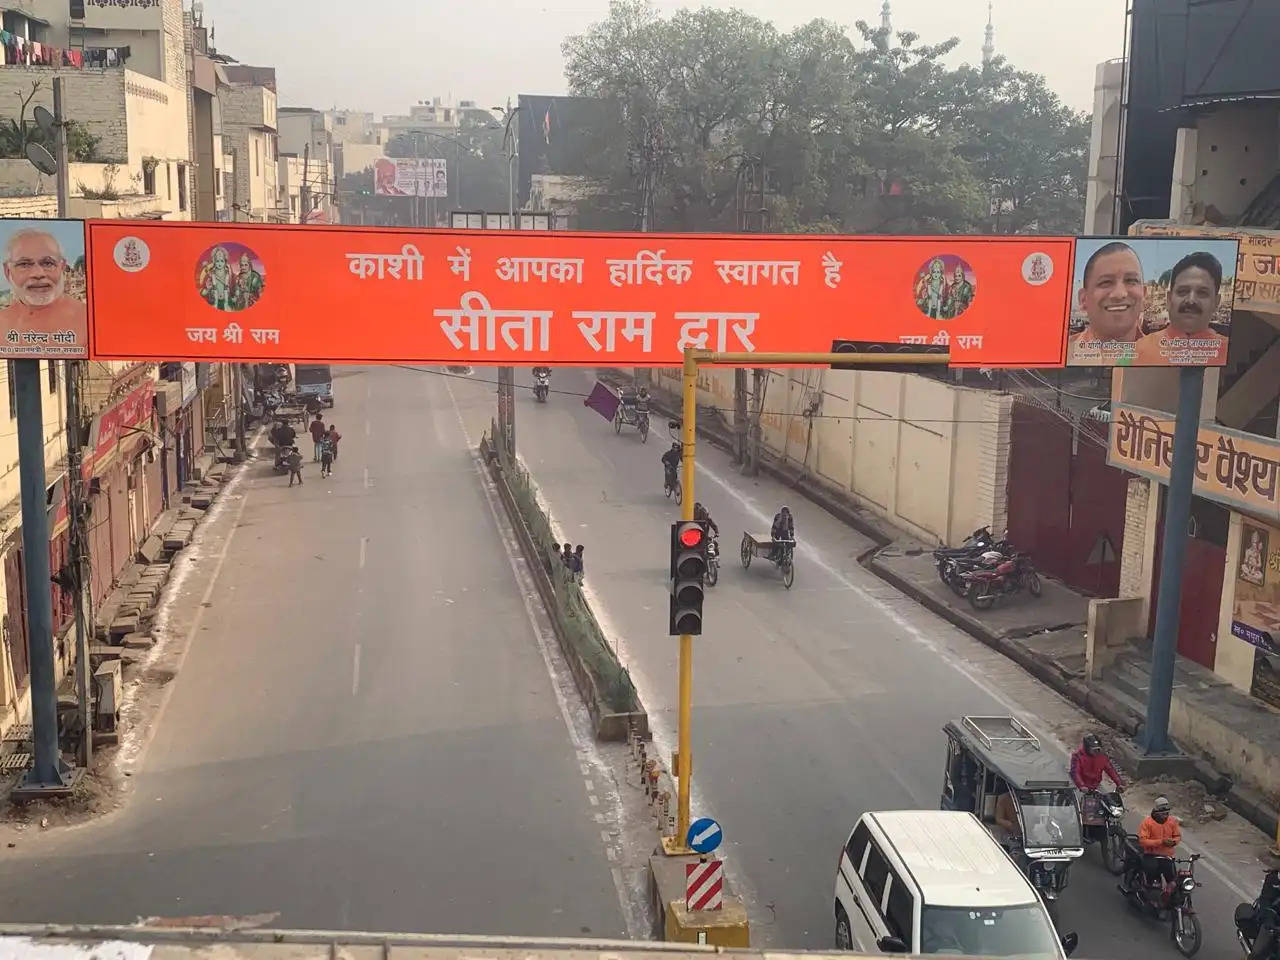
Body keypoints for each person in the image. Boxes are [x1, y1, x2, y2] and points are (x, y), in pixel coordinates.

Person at [0, 228, 88, 352]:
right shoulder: (2, 324)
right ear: (8, 271)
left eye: (48, 263)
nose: (38, 273)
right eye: (24, 264)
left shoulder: (88, 321)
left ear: (62, 268)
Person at [1135, 251, 1229, 365]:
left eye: (1202, 293)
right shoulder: (1138, 351)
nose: (1191, 300)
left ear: (1216, 302)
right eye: (1183, 291)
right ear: (1169, 299)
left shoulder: (1228, 352)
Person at [1067, 241, 1146, 365]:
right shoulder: (1063, 354)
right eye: (1106, 282)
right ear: (1083, 299)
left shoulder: (1164, 356)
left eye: (1131, 280)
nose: (1120, 294)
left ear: (1144, 295)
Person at [1137, 796, 1181, 891]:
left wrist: (1173, 842)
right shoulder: (1147, 823)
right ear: (1156, 813)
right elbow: (1143, 841)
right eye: (1163, 814)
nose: (1165, 816)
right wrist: (1161, 842)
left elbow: (1177, 836)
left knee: (1173, 882)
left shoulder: (1172, 821)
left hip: (1167, 856)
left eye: (1167, 813)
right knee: (1152, 879)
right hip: (1150, 855)